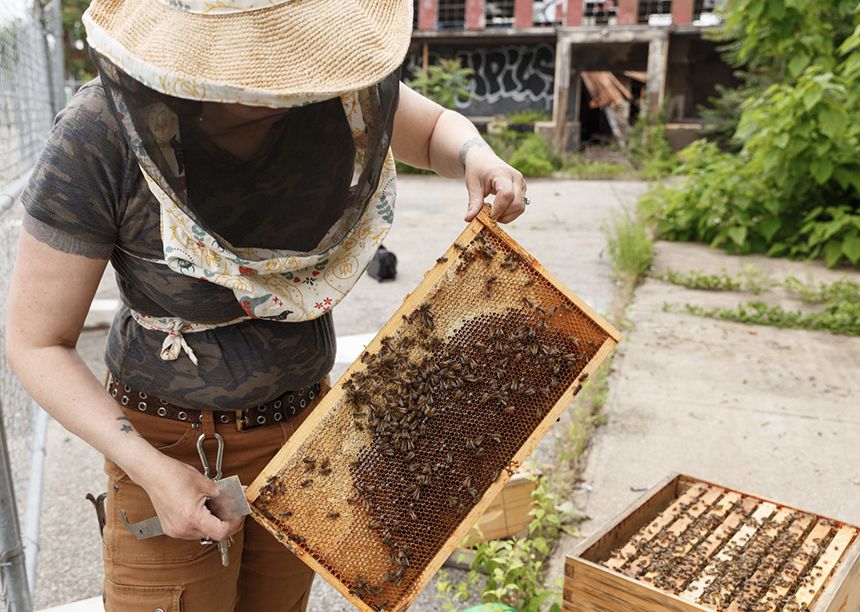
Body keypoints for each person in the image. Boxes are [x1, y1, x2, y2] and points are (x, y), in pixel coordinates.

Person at [5, 0, 527, 610]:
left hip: (307, 438)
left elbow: (437, 129)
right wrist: (148, 469)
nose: (284, 84)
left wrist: (476, 156)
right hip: (170, 449)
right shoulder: (100, 130)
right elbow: (35, 342)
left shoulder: (337, 93)